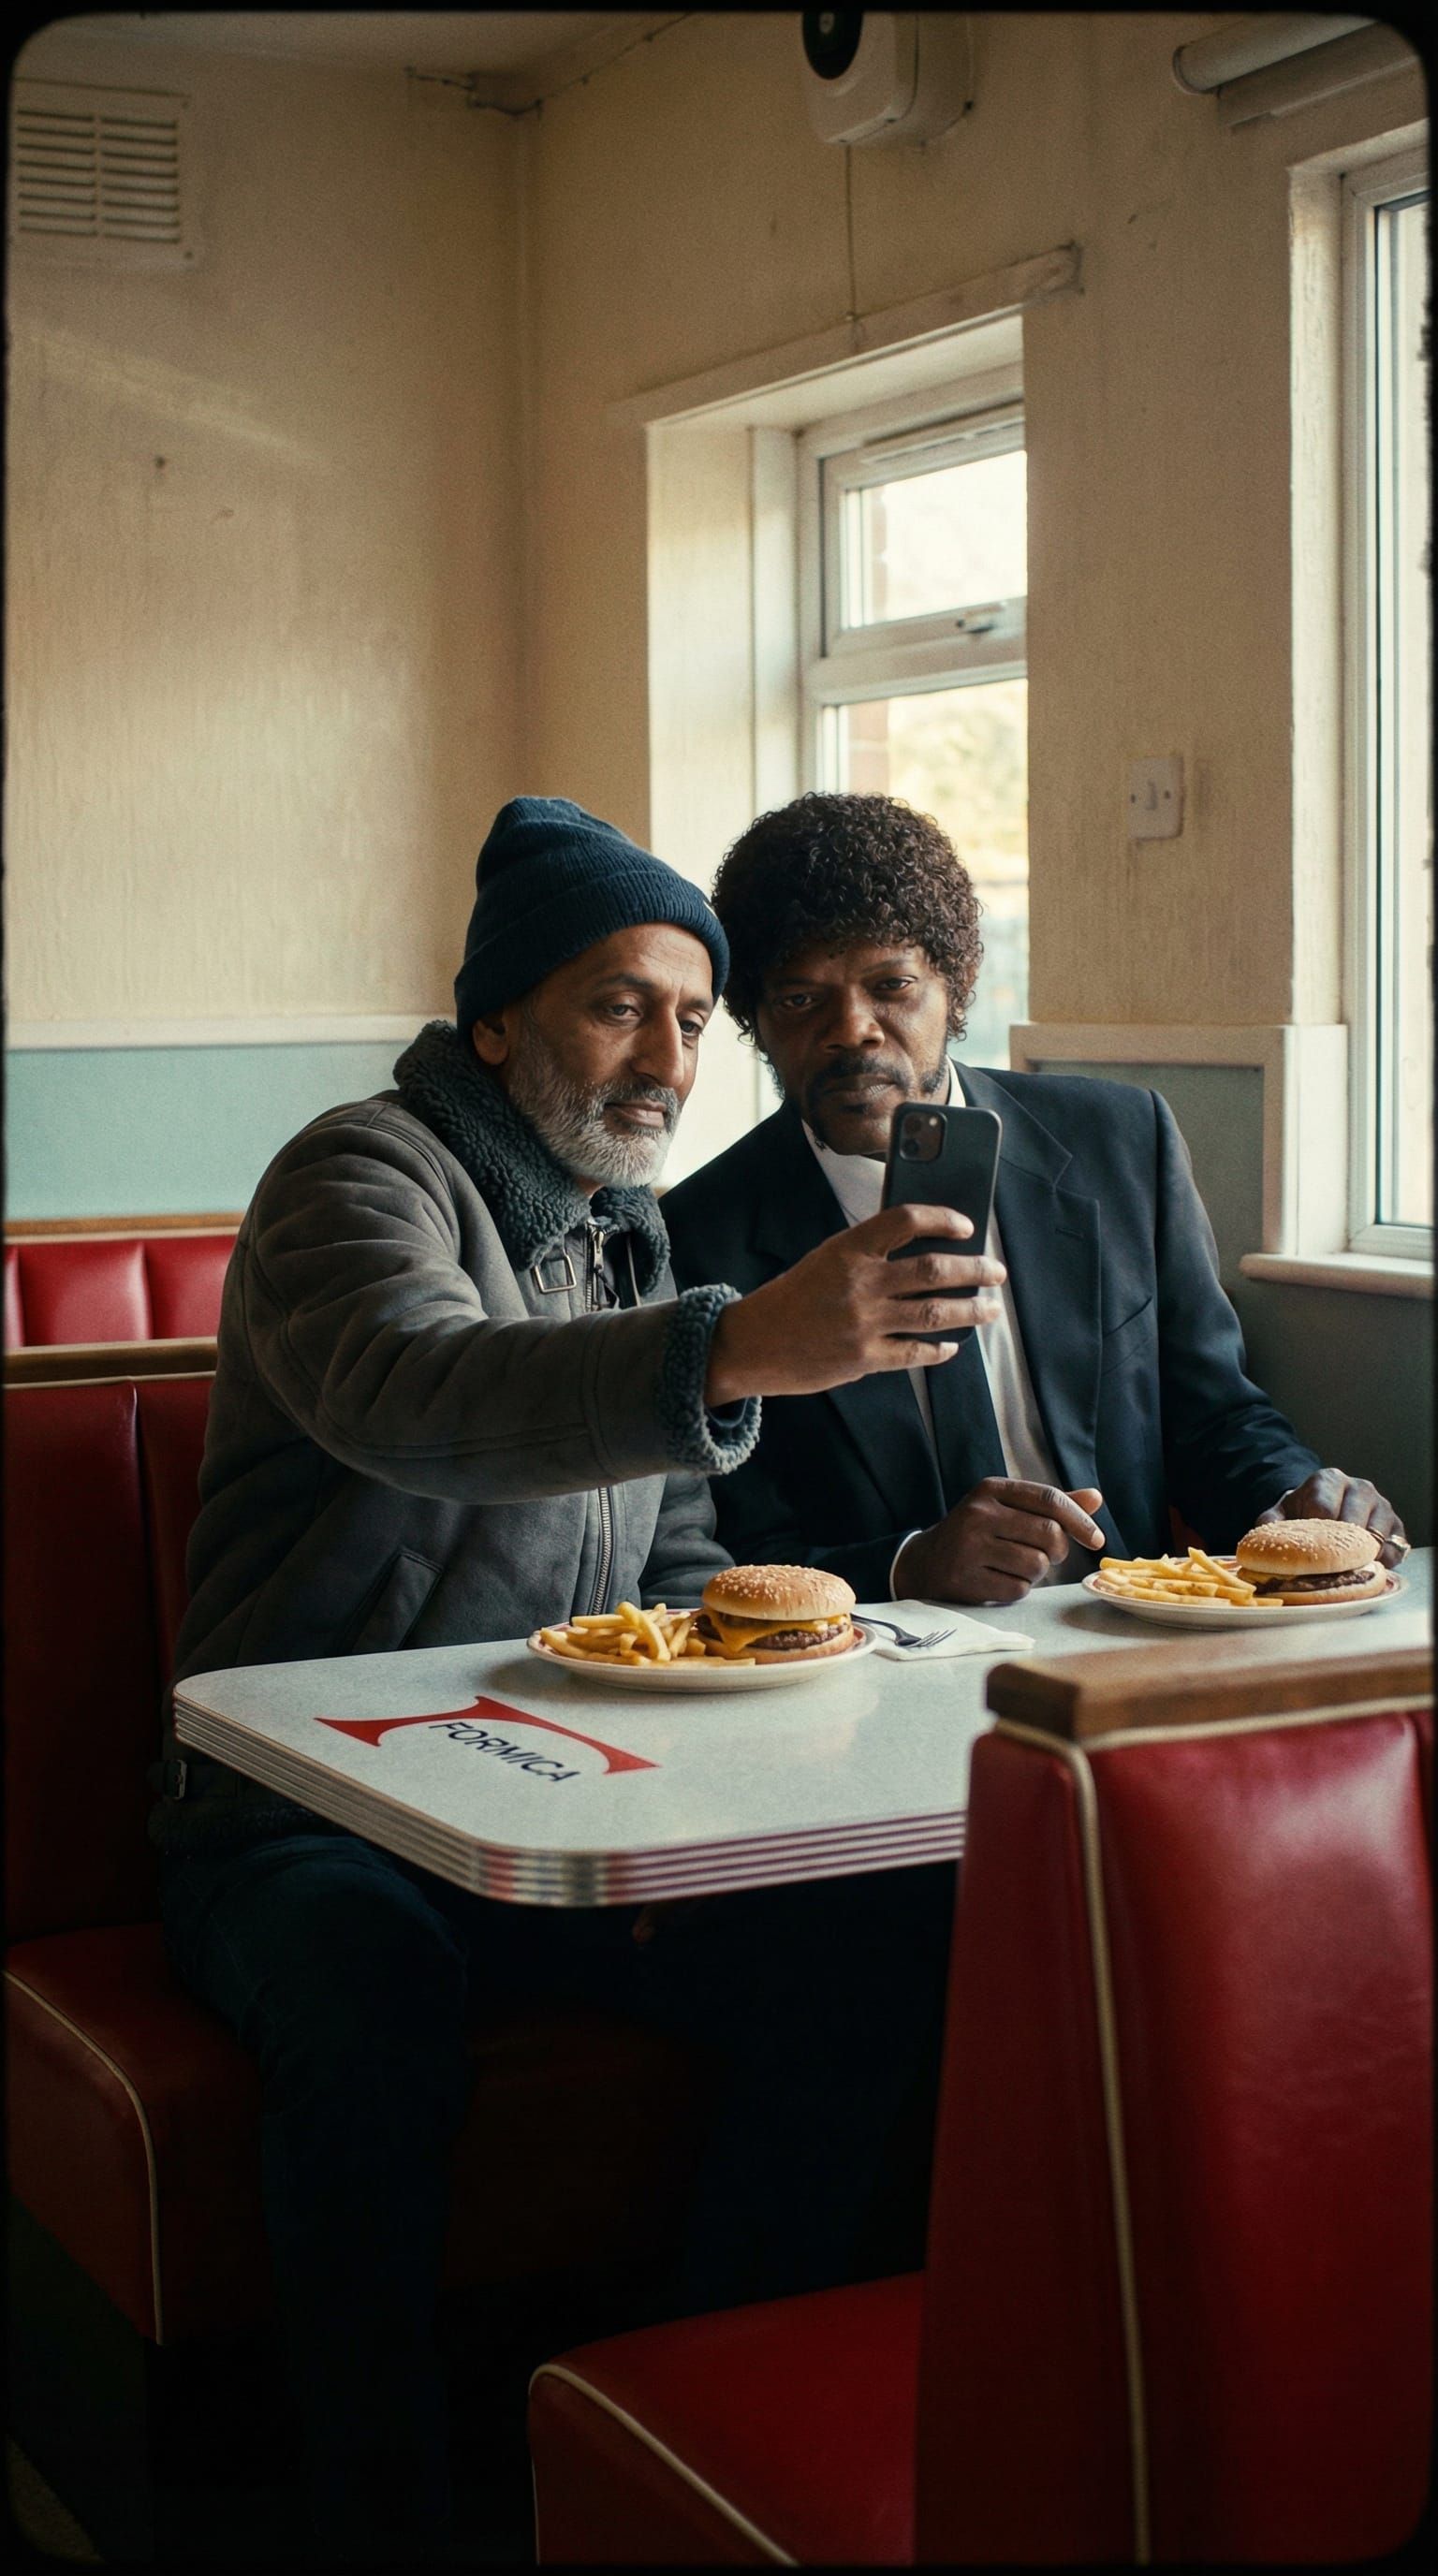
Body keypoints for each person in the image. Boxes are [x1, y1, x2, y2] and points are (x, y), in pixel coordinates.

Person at [153, 797, 985, 2568]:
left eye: (692, 1015)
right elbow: (418, 1391)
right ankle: (379, 2517)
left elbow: (679, 1572)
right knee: (369, 2013)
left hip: (554, 1802)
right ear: (497, 1019)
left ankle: (671, 2423)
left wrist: (814, 1660)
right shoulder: (354, 1175)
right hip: (301, 1808)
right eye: (621, 1004)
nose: (669, 1054)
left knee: (880, 1947)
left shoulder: (627, 1233)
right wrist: (750, 1337)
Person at [663, 792, 1408, 1604]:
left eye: (892, 985)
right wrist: (911, 1563)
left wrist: (1297, 1503)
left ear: (954, 984)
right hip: (876, 1667)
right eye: (803, 999)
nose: (854, 1029)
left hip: (1132, 1632)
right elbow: (734, 1551)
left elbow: (1216, 1420)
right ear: (755, 1019)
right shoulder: (698, 1238)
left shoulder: (1120, 1142)